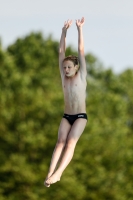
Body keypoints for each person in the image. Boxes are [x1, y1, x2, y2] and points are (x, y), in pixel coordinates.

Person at [44, 17, 87, 187]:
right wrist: (63, 32)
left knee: (70, 142)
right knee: (60, 141)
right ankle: (50, 174)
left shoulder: (81, 76)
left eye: (69, 67)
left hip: (80, 117)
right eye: (64, 67)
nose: (66, 69)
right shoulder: (64, 76)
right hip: (67, 115)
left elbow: (81, 50)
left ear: (76, 67)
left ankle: (59, 173)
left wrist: (79, 29)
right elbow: (61, 51)